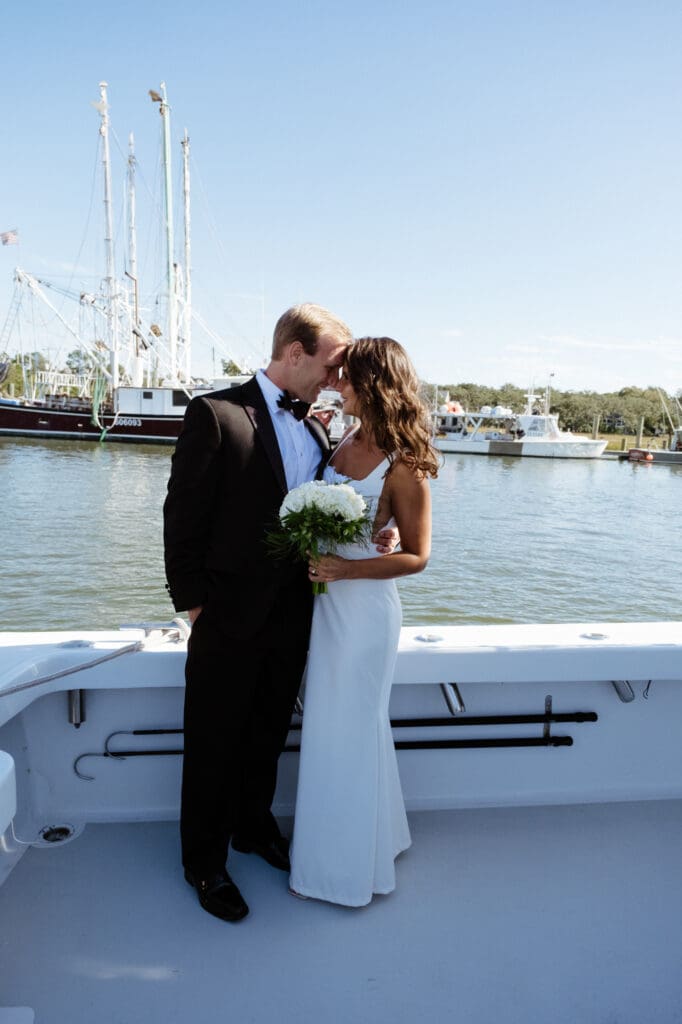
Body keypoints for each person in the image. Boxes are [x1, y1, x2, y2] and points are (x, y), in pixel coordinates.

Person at [163, 304, 394, 924]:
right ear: (295, 352)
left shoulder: (321, 433)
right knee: (213, 739)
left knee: (267, 734)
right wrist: (193, 604)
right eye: (329, 364)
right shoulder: (216, 414)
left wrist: (379, 536)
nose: (333, 378)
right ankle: (204, 864)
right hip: (225, 616)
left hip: (295, 616)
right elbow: (181, 517)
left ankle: (253, 829)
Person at [289, 336, 439, 907]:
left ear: (372, 383)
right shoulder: (345, 435)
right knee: (334, 727)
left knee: (349, 729)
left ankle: (343, 871)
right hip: (328, 607)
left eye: (347, 377)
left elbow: (418, 557)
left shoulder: (405, 465)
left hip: (363, 612)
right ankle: (374, 840)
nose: (336, 384)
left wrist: (347, 571)